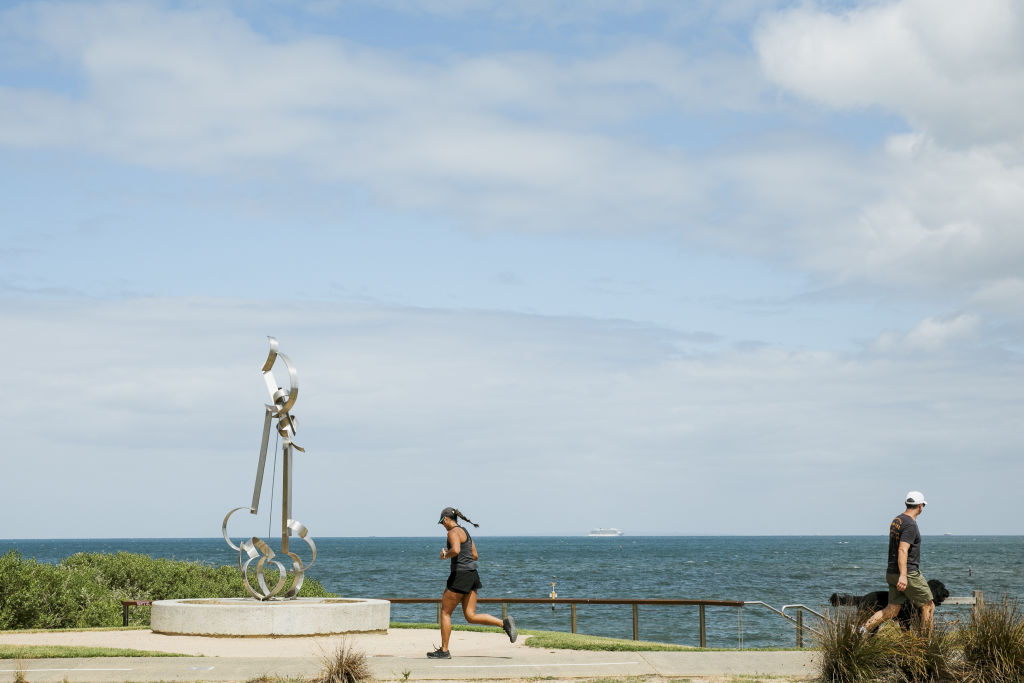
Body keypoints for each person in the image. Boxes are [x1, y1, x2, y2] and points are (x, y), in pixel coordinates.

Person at [427, 507, 517, 659]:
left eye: (442, 522)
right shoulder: (465, 532)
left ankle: (444, 650)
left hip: (460, 575)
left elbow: (455, 550)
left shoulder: (452, 532)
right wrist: (463, 556)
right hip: (472, 574)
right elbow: (474, 555)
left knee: (445, 612)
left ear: (447, 519)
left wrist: (444, 555)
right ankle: (504, 624)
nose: (442, 525)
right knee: (470, 615)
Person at [863, 491, 935, 634]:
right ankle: (926, 644)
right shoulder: (910, 525)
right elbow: (903, 549)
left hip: (891, 572)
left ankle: (860, 631)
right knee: (928, 605)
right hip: (907, 573)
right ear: (920, 506)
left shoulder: (897, 520)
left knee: (892, 610)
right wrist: (904, 575)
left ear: (906, 504)